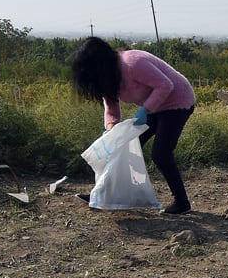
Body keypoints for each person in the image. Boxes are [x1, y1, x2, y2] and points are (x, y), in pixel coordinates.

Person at [71, 36, 196, 214]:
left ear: (100, 64)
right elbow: (111, 106)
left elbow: (165, 85)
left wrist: (145, 110)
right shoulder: (108, 78)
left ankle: (182, 203)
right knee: (121, 147)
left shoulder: (133, 63)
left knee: (160, 153)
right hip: (155, 106)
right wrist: (111, 128)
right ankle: (103, 195)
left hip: (178, 101)